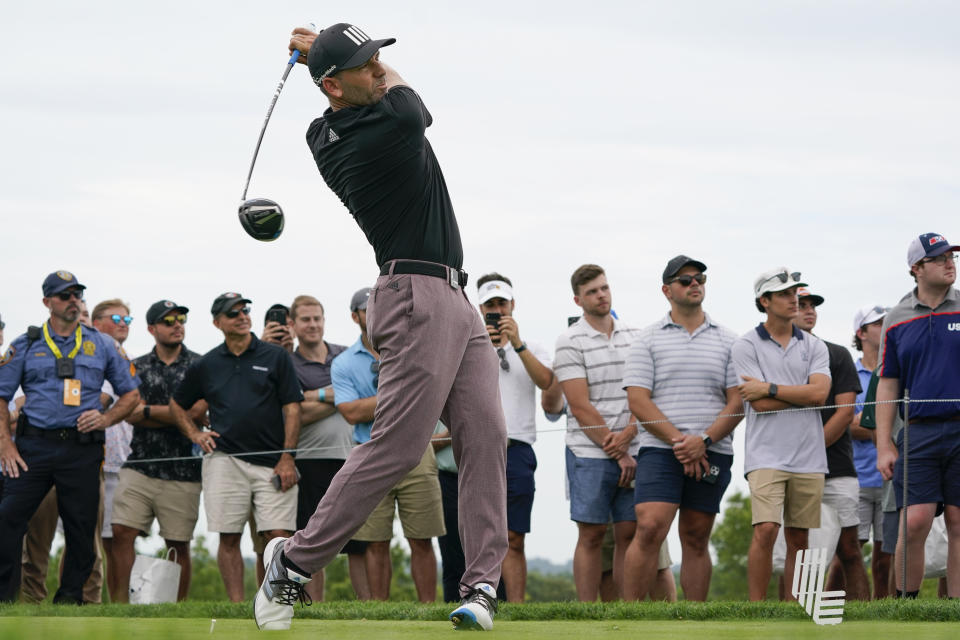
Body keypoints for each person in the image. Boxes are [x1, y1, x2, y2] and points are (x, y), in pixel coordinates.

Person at [256, 23, 508, 631]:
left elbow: (371, 87)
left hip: (455, 294)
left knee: (486, 436)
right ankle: (292, 562)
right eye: (365, 66)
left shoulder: (333, 120)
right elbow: (409, 102)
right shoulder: (369, 129)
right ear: (333, 86)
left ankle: (480, 587)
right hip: (413, 294)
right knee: (397, 443)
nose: (379, 70)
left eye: (379, 61)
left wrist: (326, 50)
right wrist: (323, 49)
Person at [0, 271, 140, 604]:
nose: (73, 301)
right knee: (8, 518)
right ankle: (5, 598)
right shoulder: (26, 343)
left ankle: (70, 601)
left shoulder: (101, 343)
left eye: (78, 294)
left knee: (81, 529)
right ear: (48, 302)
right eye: (65, 296)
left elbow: (131, 394)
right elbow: (2, 396)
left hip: (81, 448)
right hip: (33, 447)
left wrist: (106, 418)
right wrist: (5, 444)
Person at [622, 256, 742, 601]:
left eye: (699, 278)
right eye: (685, 279)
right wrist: (682, 443)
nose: (695, 284)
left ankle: (695, 619)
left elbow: (737, 402)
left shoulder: (730, 341)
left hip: (712, 449)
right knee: (649, 527)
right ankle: (629, 618)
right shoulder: (647, 339)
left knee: (696, 535)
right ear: (667, 290)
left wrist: (702, 441)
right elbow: (639, 402)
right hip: (661, 450)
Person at [170, 292, 303, 602]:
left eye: (245, 310)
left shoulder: (276, 356)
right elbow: (178, 405)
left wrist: (288, 457)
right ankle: (237, 606)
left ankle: (276, 603)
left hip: (273, 460)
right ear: (218, 323)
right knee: (229, 536)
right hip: (224, 459)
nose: (242, 316)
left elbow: (293, 409)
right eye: (233, 313)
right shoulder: (207, 363)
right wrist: (195, 434)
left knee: (279, 537)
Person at [332, 288, 444, 603]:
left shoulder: (415, 348)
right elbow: (351, 413)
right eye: (367, 310)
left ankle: (427, 610)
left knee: (422, 539)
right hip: (369, 452)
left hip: (417, 451)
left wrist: (382, 400)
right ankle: (380, 612)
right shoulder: (343, 363)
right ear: (356, 317)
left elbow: (429, 395)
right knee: (375, 542)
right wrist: (400, 395)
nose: (375, 315)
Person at [554, 264, 657, 602]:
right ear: (577, 299)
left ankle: (626, 610)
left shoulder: (636, 335)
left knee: (630, 531)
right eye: (592, 292)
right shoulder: (569, 340)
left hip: (634, 444)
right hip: (588, 451)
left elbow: (643, 392)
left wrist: (629, 433)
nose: (600, 295)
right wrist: (620, 451)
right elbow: (579, 405)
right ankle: (585, 610)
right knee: (592, 533)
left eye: (604, 288)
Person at [731, 267, 830, 601]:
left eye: (795, 293)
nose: (795, 299)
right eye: (786, 294)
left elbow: (819, 395)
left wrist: (770, 388)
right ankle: (757, 610)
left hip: (809, 454)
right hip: (766, 455)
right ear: (765, 301)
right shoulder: (745, 344)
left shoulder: (815, 346)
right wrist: (794, 394)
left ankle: (793, 609)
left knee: (799, 537)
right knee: (766, 530)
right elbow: (758, 405)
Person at [876, 232, 960, 598]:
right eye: (939, 258)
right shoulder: (895, 319)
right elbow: (888, 384)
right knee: (914, 521)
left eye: (951, 257)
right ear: (917, 268)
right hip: (918, 430)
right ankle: (904, 605)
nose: (949, 263)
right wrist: (883, 444)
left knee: (959, 522)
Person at [476, 273, 564, 602]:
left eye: (502, 303)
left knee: (514, 535)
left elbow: (546, 382)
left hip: (518, 449)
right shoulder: (473, 344)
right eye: (490, 305)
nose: (496, 310)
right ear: (480, 308)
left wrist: (518, 344)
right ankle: (480, 598)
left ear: (512, 305)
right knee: (480, 534)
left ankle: (515, 606)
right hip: (480, 449)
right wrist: (485, 345)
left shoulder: (534, 346)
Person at [110, 300, 204, 602]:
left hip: (184, 469)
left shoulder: (200, 365)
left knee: (178, 543)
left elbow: (200, 411)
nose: (177, 324)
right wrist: (179, 414)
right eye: (168, 321)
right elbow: (129, 412)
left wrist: (149, 411)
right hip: (140, 464)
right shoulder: (136, 365)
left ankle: (173, 607)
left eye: (181, 319)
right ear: (152, 329)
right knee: (122, 532)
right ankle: (119, 607)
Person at [287, 294, 369, 602]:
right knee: (313, 539)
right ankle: (314, 608)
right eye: (305, 320)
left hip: (352, 457)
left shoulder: (345, 355)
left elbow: (364, 396)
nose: (313, 325)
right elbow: (294, 411)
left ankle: (369, 609)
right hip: (310, 460)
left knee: (359, 542)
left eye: (317, 318)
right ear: (292, 325)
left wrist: (313, 395)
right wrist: (339, 396)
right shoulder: (288, 363)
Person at [794, 288, 868, 600]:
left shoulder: (837, 354)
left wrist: (812, 449)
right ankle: (797, 616)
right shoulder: (771, 358)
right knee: (802, 549)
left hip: (836, 465)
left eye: (813, 306)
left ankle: (868, 621)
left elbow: (845, 412)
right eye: (802, 305)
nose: (809, 311)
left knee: (850, 546)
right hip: (791, 467)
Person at [91, 298, 136, 601]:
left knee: (117, 538)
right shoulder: (92, 355)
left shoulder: (127, 358)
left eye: (127, 320)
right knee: (90, 538)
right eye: (116, 318)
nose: (122, 324)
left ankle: (118, 604)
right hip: (95, 460)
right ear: (96, 322)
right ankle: (88, 598)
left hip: (123, 463)